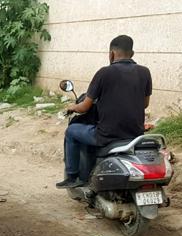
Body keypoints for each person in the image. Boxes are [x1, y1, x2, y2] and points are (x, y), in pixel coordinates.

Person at [56, 35, 152, 189]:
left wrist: (72, 107)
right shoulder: (145, 72)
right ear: (132, 53)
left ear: (112, 53)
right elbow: (145, 104)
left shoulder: (104, 73)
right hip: (135, 134)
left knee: (72, 131)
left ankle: (73, 177)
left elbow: (85, 107)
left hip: (107, 135)